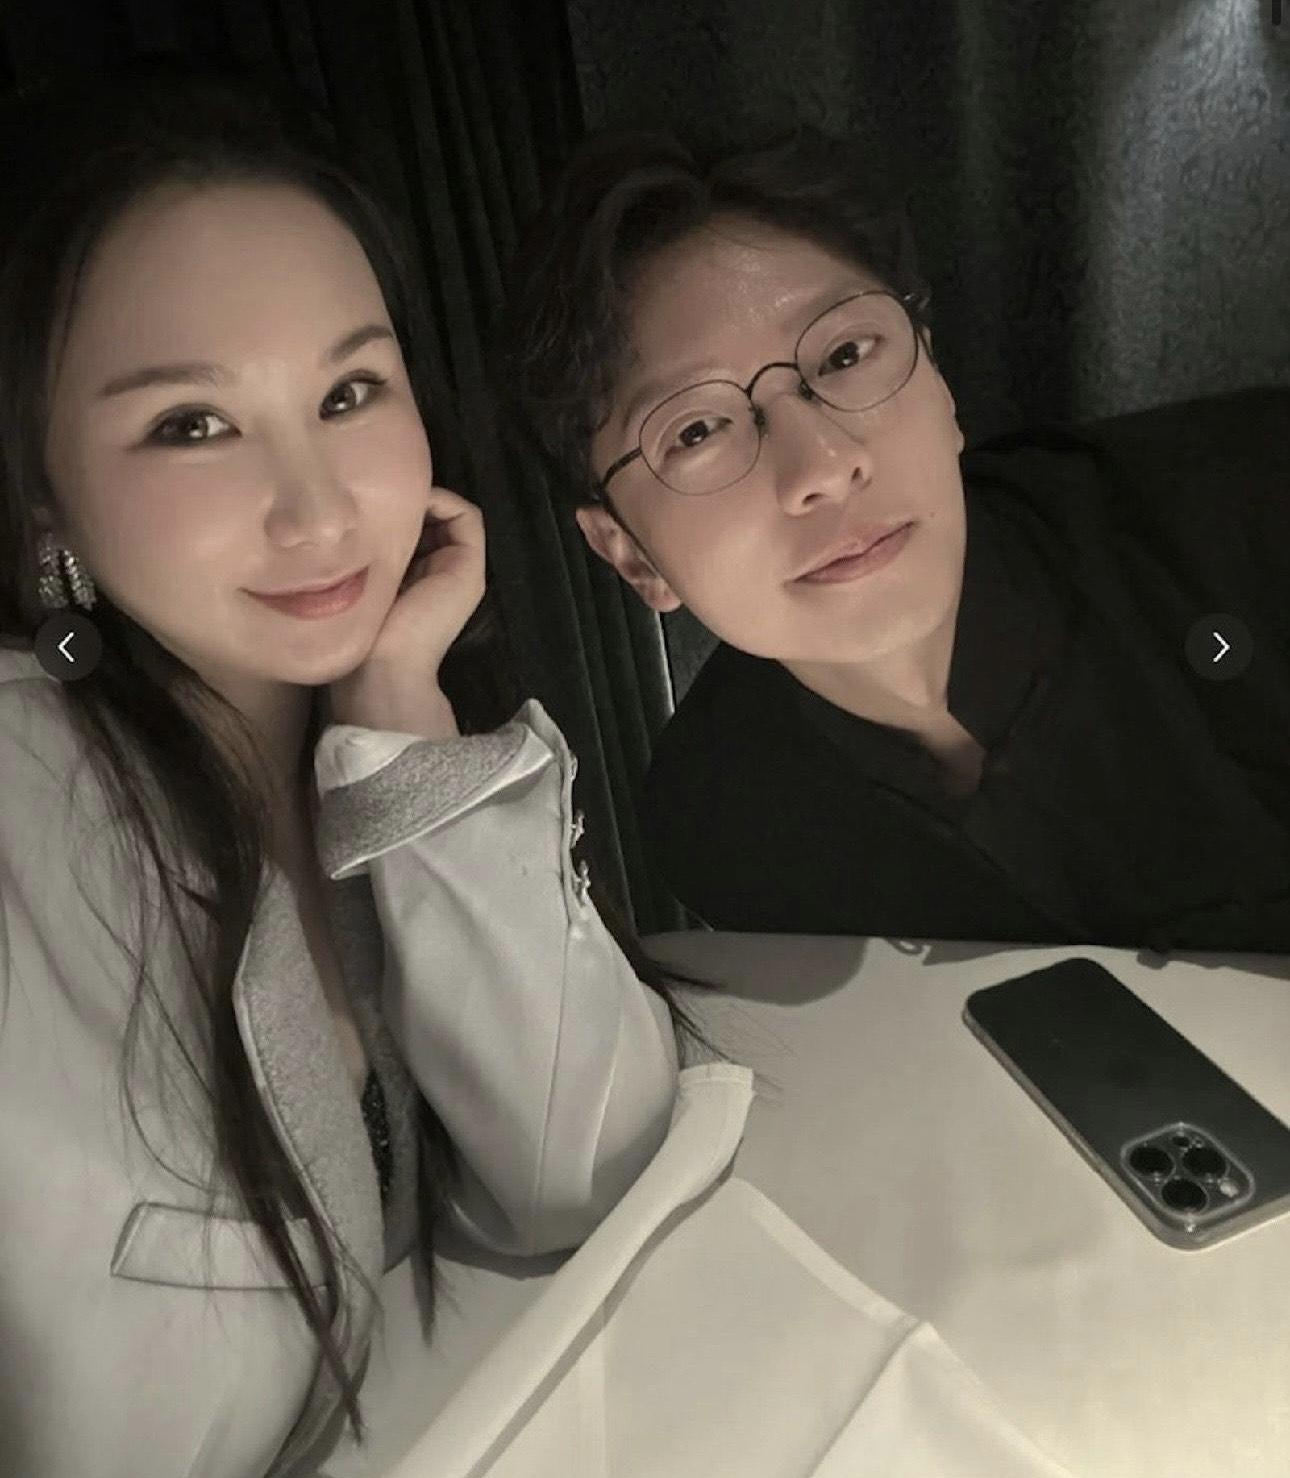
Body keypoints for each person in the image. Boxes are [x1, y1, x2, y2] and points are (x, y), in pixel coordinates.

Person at [0, 59, 724, 1478]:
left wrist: (400, 714)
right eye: (191, 423)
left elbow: (586, 1168)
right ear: (45, 503)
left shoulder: (371, 726)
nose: (320, 507)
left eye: (348, 391)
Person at [504, 128, 1290, 951]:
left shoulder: (1250, 511)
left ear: (937, 379)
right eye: (697, 430)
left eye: (845, 355)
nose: (824, 466)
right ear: (631, 554)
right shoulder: (721, 822)